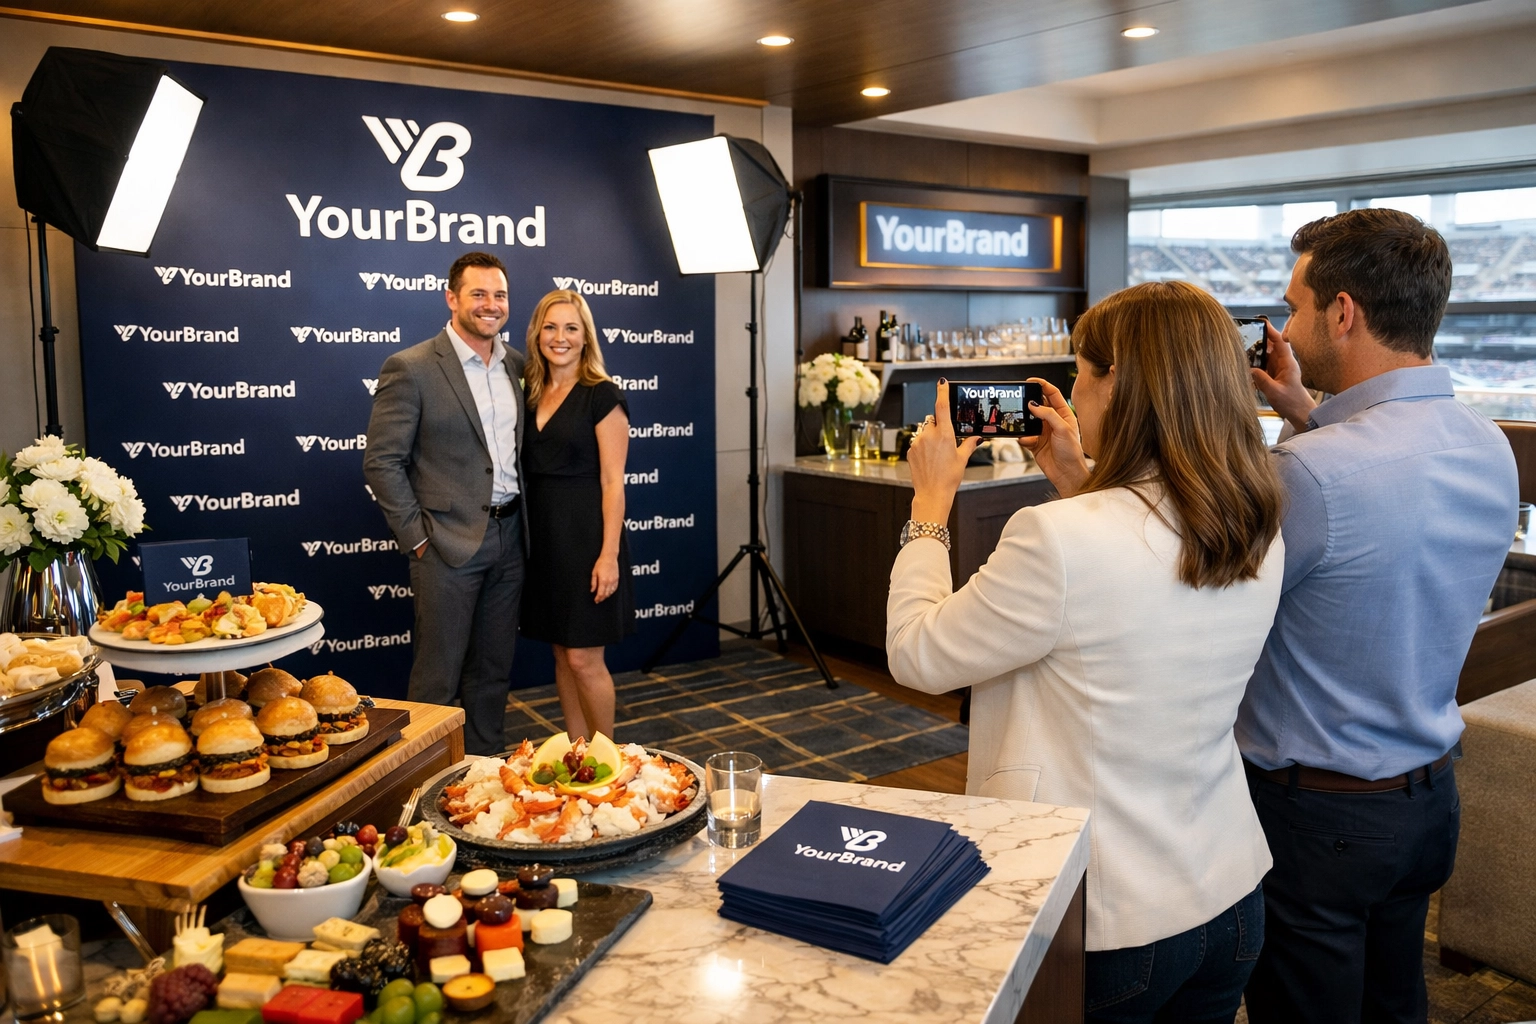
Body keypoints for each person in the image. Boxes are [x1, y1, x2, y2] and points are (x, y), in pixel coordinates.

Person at [888, 281, 1286, 1023]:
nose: (1071, 389)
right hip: (1226, 891)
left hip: (1105, 913)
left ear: (1123, 387)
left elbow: (917, 654)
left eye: (1083, 371)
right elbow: (1136, 594)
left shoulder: (1058, 537)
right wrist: (1079, 481)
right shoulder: (1252, 517)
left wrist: (929, 507)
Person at [1240, 208, 1518, 1023]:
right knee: (1395, 1006)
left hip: (1315, 815)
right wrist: (1303, 409)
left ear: (1343, 312)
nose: (1286, 326)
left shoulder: (1309, 473)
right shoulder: (1486, 442)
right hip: (1427, 802)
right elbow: (1375, 511)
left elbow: (1203, 600)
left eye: (1294, 306)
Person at [363, 252, 526, 757]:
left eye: (499, 295)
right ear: (451, 298)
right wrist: (417, 540)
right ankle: (419, 778)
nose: (490, 305)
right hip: (444, 545)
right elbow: (381, 462)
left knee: (493, 673)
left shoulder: (519, 364)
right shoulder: (411, 368)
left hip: (510, 538)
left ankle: (482, 773)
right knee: (437, 679)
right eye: (478, 294)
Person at [518, 290, 633, 740]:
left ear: (586, 337)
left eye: (571, 328)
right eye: (550, 327)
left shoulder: (602, 396)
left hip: (588, 540)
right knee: (563, 655)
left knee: (585, 658)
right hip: (544, 543)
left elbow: (612, 482)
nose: (559, 337)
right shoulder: (529, 392)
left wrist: (608, 556)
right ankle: (578, 751)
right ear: (536, 334)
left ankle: (608, 757)